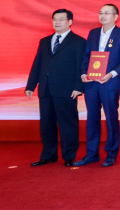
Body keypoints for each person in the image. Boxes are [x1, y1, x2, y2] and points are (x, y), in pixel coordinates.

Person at [73, 4, 120, 168]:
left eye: (107, 13)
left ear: (116, 16)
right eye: (101, 13)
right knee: (92, 118)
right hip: (92, 83)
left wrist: (111, 74)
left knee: (111, 118)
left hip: (110, 82)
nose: (103, 16)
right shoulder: (93, 33)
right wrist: (83, 73)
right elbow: (86, 56)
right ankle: (91, 154)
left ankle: (111, 154)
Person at [25, 9, 86, 167]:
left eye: (61, 19)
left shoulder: (78, 41)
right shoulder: (45, 41)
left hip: (67, 90)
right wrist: (31, 85)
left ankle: (69, 156)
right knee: (46, 124)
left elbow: (80, 66)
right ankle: (48, 155)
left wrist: (78, 87)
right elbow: (38, 64)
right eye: (55, 19)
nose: (57, 22)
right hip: (45, 89)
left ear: (70, 22)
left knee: (68, 124)